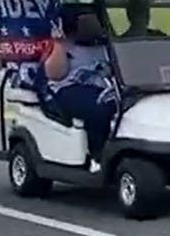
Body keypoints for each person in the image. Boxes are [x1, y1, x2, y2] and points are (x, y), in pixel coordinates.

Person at [43, 10, 119, 165]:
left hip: (106, 87)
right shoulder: (64, 45)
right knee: (99, 107)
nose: (92, 26)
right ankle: (98, 155)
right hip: (69, 88)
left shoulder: (107, 45)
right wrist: (59, 44)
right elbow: (55, 74)